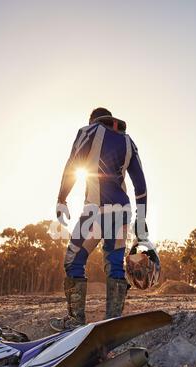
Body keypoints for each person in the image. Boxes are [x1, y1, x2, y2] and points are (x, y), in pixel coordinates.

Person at [51, 107, 154, 330]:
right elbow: (141, 186)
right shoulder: (128, 142)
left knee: (73, 260)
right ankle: (112, 323)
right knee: (115, 264)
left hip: (96, 211)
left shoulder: (88, 131)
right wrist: (142, 219)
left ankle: (76, 320)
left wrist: (62, 198)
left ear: (92, 119)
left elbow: (72, 166)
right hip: (122, 211)